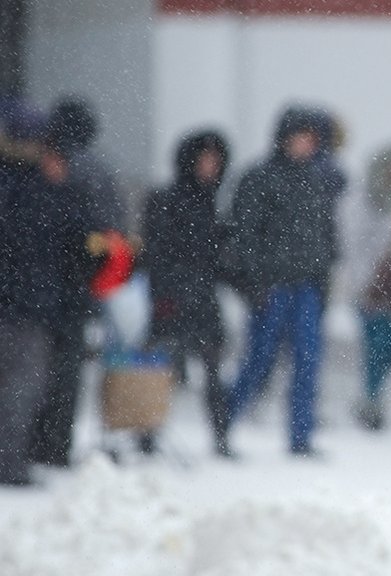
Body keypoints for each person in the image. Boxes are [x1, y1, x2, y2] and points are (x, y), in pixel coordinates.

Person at [223, 107, 344, 457]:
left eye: (311, 139)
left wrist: (323, 281)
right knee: (258, 361)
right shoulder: (259, 178)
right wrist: (254, 282)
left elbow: (326, 237)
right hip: (272, 287)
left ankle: (300, 436)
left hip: (307, 286)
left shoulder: (316, 181)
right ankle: (224, 421)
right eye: (299, 137)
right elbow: (244, 235)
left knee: (307, 362)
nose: (305, 145)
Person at [29, 97, 126, 467]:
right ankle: (56, 446)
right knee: (66, 373)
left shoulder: (45, 167)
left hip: (41, 287)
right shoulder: (97, 170)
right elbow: (111, 231)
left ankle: (32, 444)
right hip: (80, 288)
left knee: (36, 371)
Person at [1, 132, 100, 485]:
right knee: (23, 388)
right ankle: (10, 465)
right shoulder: (34, 199)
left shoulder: (22, 193)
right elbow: (39, 259)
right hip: (24, 310)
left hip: (28, 308)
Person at [142, 130, 232, 457]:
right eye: (204, 159)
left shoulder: (212, 205)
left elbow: (218, 257)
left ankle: (221, 437)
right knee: (159, 369)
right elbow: (157, 253)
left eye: (215, 161)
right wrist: (167, 293)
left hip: (203, 298)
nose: (209, 166)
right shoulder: (166, 200)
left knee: (212, 371)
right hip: (171, 298)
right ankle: (147, 433)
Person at [347, 143, 391, 430]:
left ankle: (371, 396)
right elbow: (354, 246)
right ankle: (370, 401)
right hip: (366, 288)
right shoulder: (362, 201)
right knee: (375, 346)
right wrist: (364, 284)